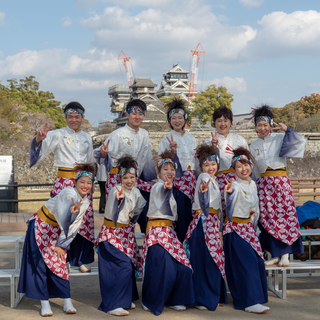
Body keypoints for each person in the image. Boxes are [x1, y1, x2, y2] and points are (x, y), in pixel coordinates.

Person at [18, 164, 95, 317]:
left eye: (89, 183)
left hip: (58, 232)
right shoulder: (68, 193)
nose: (85, 186)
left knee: (59, 264)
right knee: (39, 264)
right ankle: (44, 304)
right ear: (75, 182)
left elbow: (74, 227)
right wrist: (71, 213)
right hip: (41, 227)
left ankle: (67, 301)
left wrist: (62, 244)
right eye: (82, 182)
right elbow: (64, 214)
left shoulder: (85, 202)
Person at [29, 101, 95, 272]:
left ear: (83, 117)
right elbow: (41, 147)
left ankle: (79, 259)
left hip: (83, 182)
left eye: (77, 116)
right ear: (65, 117)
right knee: (61, 218)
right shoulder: (57, 134)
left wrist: (90, 182)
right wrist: (38, 139)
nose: (74, 120)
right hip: (64, 181)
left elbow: (89, 162)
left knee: (82, 219)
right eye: (70, 116)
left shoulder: (87, 137)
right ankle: (59, 256)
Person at [250, 105, 305, 267]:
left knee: (284, 217)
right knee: (268, 219)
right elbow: (253, 170)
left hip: (280, 183)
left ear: (270, 125)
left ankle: (285, 254)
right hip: (263, 185)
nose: (262, 128)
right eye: (259, 125)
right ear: (256, 127)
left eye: (265, 125)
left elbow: (299, 141)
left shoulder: (280, 138)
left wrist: (287, 129)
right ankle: (275, 253)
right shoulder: (253, 145)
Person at [141, 150, 195, 316]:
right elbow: (161, 190)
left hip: (169, 234)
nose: (169, 172)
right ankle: (151, 300)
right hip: (157, 233)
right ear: (158, 172)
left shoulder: (171, 190)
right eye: (165, 169)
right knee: (165, 268)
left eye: (172, 169)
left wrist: (169, 188)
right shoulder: (158, 186)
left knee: (184, 267)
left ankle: (175, 299)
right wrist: (166, 188)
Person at [94, 99, 156, 234]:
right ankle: (115, 242)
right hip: (117, 178)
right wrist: (104, 154)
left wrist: (149, 177)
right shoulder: (118, 134)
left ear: (144, 116)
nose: (137, 117)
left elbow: (146, 156)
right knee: (119, 213)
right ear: (127, 114)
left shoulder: (144, 134)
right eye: (134, 113)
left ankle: (147, 242)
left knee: (143, 209)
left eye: (140, 114)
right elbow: (99, 154)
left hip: (135, 178)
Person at [95, 155, 146, 316]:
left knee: (127, 267)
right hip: (111, 235)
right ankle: (112, 304)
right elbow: (114, 207)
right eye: (125, 178)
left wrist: (132, 220)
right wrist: (120, 200)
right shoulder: (115, 190)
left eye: (132, 177)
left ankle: (123, 299)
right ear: (119, 178)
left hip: (126, 235)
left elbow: (138, 209)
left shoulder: (136, 191)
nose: (129, 181)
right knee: (120, 267)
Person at [223, 147, 269, 314]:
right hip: (235, 229)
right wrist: (228, 194)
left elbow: (255, 210)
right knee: (245, 264)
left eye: (246, 165)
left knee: (257, 262)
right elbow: (229, 203)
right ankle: (249, 302)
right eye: (239, 167)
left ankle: (256, 298)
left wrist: (254, 227)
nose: (244, 169)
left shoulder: (254, 185)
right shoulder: (233, 186)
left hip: (249, 230)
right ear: (234, 170)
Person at [183, 143, 227, 311]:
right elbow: (204, 194)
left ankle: (206, 296)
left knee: (207, 260)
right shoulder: (204, 178)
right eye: (206, 164)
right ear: (200, 166)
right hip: (204, 222)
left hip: (211, 222)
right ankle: (204, 298)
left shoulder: (213, 179)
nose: (210, 167)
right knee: (207, 261)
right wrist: (203, 191)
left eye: (213, 164)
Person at [158, 97, 197, 242]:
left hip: (192, 181)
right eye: (173, 118)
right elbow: (162, 164)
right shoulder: (166, 139)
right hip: (176, 182)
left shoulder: (192, 138)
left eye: (180, 117)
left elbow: (196, 162)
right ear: (169, 121)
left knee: (191, 214)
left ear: (185, 119)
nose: (177, 121)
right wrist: (173, 152)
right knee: (179, 215)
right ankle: (179, 245)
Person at [206, 107, 248, 216]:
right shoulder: (207, 142)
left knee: (236, 212)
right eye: (219, 121)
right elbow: (203, 166)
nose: (222, 124)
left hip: (237, 182)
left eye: (225, 120)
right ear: (214, 123)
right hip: (216, 183)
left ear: (231, 122)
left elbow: (247, 165)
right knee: (219, 214)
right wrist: (212, 147)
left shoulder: (240, 140)